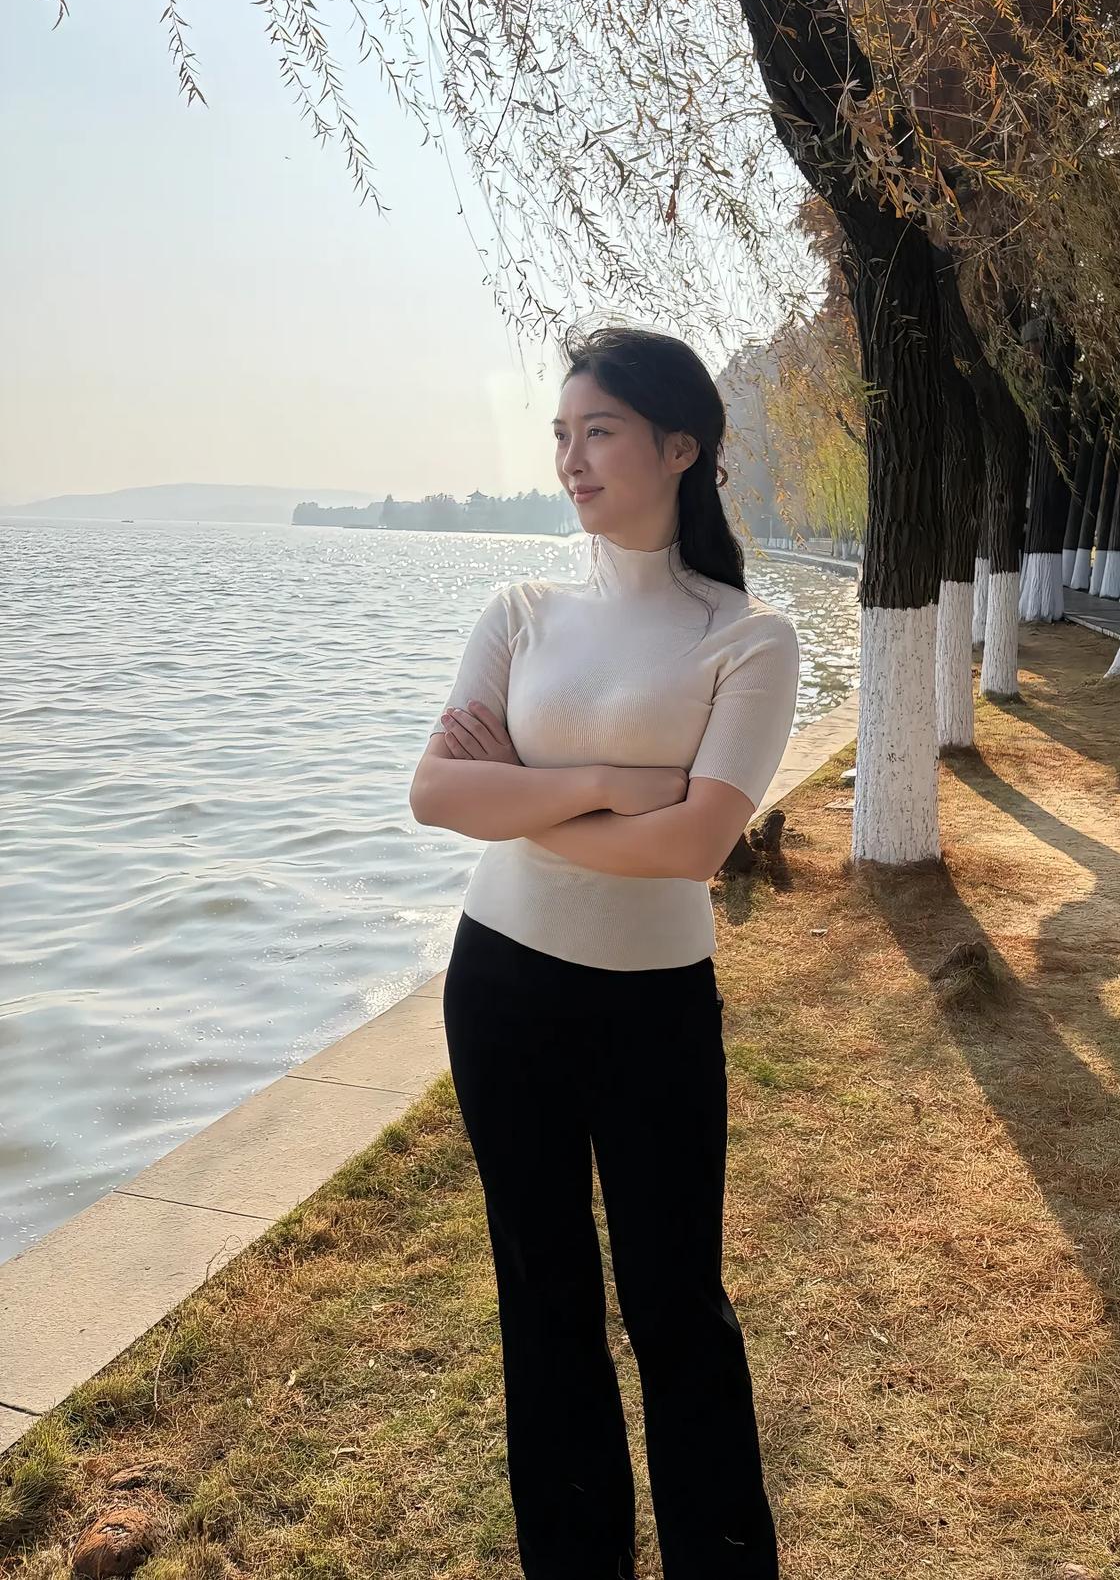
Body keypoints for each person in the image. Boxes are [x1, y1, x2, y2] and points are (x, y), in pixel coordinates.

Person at [409, 323, 800, 1580]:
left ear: (679, 446)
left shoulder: (747, 637)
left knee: (676, 1304)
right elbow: (434, 792)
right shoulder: (519, 611)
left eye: (599, 432)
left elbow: (693, 845)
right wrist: (604, 782)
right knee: (542, 1298)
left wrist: (524, 793)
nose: (571, 459)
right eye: (561, 435)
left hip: (652, 1011)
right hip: (499, 986)